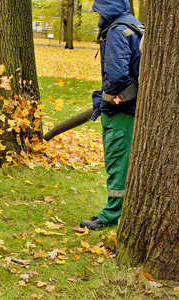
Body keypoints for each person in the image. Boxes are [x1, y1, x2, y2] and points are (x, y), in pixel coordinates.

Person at [80, 0, 143, 230]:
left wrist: (108, 103)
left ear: (107, 10)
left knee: (117, 162)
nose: (97, 17)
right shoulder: (135, 25)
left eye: (98, 12)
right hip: (135, 108)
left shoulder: (117, 31)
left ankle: (110, 216)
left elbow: (116, 77)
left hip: (122, 112)